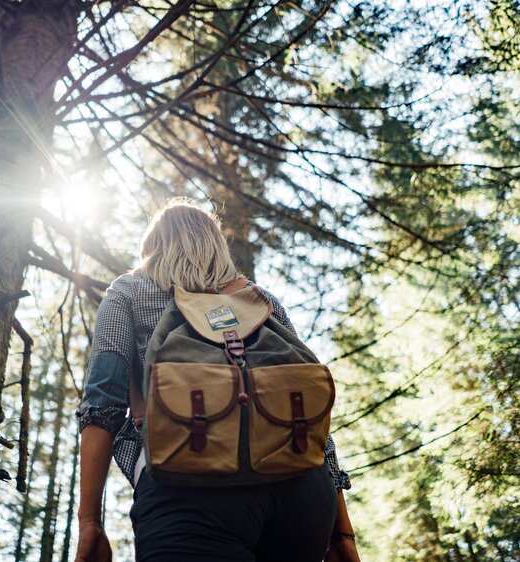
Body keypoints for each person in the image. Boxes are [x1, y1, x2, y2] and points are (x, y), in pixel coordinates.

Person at [75, 199, 360, 562]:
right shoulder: (262, 302)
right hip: (303, 490)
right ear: (216, 245)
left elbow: (102, 405)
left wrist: (89, 522)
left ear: (152, 247)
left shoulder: (128, 292)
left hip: (188, 487)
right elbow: (312, 419)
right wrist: (342, 533)